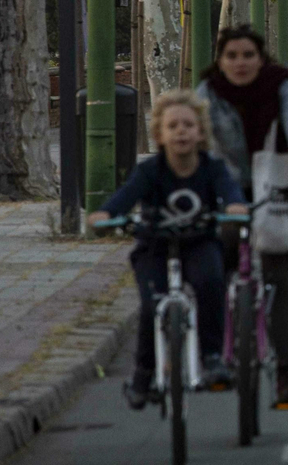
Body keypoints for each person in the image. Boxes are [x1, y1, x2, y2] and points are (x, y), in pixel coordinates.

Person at [197, 25, 288, 409]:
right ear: (221, 60)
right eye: (231, 56)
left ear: (261, 59)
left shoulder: (281, 86)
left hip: (275, 185)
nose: (240, 63)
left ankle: (284, 375)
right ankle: (214, 354)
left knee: (278, 276)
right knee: (214, 267)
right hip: (225, 189)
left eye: (248, 55)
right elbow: (196, 139)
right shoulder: (208, 91)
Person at [89, 90, 247, 409]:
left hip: (200, 243)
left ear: (201, 132)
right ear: (159, 134)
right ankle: (143, 374)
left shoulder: (212, 168)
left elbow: (230, 192)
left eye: (188, 125)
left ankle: (212, 356)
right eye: (172, 126)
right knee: (151, 305)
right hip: (154, 248)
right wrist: (106, 213)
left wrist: (235, 205)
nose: (181, 131)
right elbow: (126, 196)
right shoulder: (150, 170)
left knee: (211, 282)